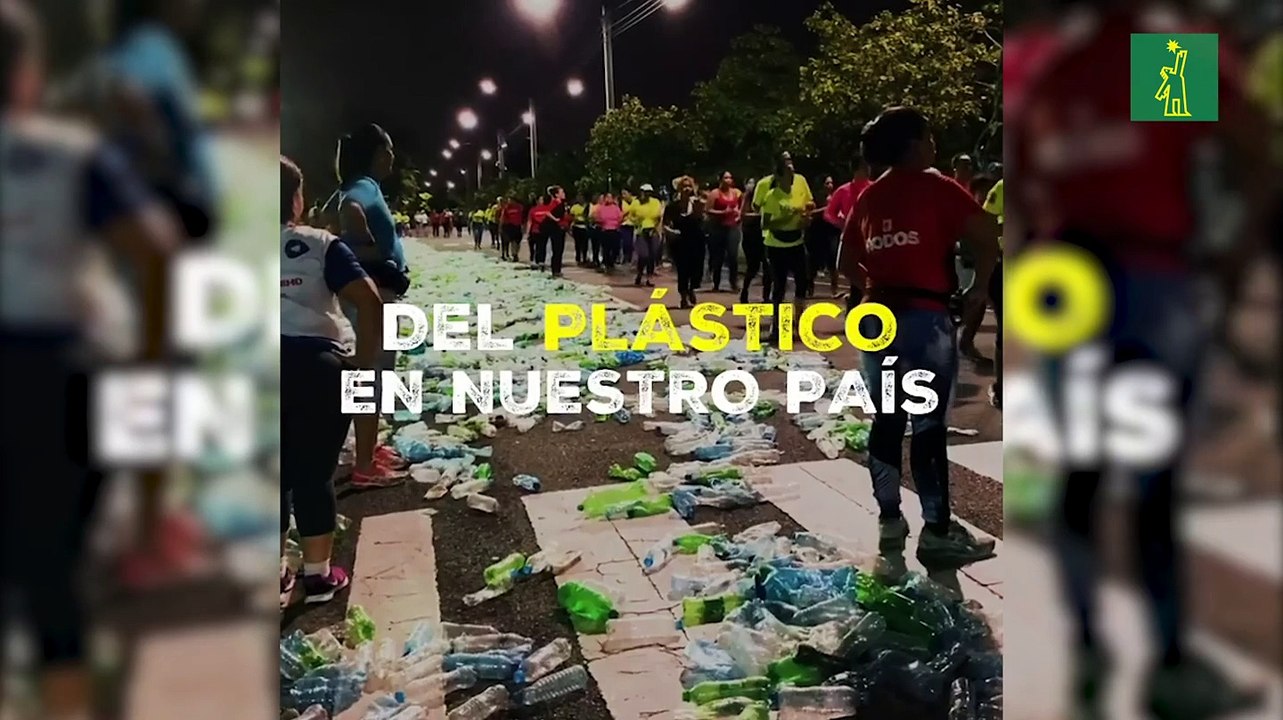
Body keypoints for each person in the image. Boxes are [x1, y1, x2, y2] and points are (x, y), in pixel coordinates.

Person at [1010, 2, 1274, 716]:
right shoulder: (1158, 59)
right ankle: (1167, 663)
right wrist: (1228, 259)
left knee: (1081, 475)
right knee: (1152, 485)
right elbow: (1246, 153)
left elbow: (1032, 199)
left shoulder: (1053, 75)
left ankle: (1090, 646)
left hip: (1069, 285)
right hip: (1146, 281)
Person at [3, 3, 179, 714]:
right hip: (61, 372)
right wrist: (148, 356)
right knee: (53, 575)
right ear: (28, 73)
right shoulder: (71, 152)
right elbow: (155, 249)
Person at [838, 106, 999, 569]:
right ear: (913, 145)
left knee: (887, 420)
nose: (935, 145)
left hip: (877, 323)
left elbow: (845, 264)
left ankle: (890, 519)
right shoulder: (936, 186)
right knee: (928, 427)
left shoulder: (869, 197)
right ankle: (937, 531)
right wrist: (977, 288)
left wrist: (878, 281)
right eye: (929, 137)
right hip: (925, 323)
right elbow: (986, 234)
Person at [279, 156, 383, 610]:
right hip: (318, 366)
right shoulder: (322, 244)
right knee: (314, 470)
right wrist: (362, 360)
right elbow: (369, 299)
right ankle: (318, 576)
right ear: (296, 201)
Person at [325, 123, 410, 488]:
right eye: (388, 150)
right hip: (370, 296)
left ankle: (368, 447)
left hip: (376, 294)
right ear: (377, 154)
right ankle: (363, 465)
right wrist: (370, 251)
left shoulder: (369, 187)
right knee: (368, 374)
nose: (392, 157)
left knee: (375, 373)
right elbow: (349, 213)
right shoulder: (359, 189)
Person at [753, 152, 814, 342]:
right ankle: (777, 326)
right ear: (779, 176)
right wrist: (789, 217)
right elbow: (765, 223)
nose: (792, 175)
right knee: (779, 286)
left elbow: (809, 202)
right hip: (776, 244)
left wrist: (806, 216)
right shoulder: (772, 194)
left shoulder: (800, 183)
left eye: (793, 170)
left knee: (802, 282)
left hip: (797, 241)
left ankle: (799, 323)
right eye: (787, 171)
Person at [957, 173, 998, 363]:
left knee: (979, 302)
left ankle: (965, 341)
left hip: (988, 262)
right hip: (969, 261)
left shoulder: (988, 209)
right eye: (984, 190)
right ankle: (963, 340)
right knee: (973, 301)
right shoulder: (970, 210)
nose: (987, 194)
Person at [665, 176, 706, 308]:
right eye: (684, 187)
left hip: (696, 239)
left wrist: (698, 206)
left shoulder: (697, 203)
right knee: (683, 270)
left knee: (696, 268)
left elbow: (702, 219)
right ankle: (683, 296)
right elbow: (665, 224)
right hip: (680, 241)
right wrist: (671, 232)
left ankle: (691, 289)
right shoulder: (672, 206)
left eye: (689, 186)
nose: (687, 189)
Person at [705, 171, 743, 292]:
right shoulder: (715, 193)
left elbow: (740, 207)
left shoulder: (735, 193)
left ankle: (734, 282)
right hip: (718, 228)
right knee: (718, 257)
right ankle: (716, 283)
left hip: (732, 227)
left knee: (733, 256)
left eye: (730, 178)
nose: (728, 180)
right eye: (726, 178)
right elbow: (708, 210)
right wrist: (722, 213)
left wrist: (738, 215)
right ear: (720, 179)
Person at [738, 178, 771, 304]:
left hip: (764, 236)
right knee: (753, 267)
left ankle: (766, 296)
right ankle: (744, 291)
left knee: (768, 268)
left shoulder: (768, 197)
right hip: (751, 236)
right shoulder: (748, 197)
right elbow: (743, 215)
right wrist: (761, 216)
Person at [807, 175, 839, 297]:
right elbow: (810, 213)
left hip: (831, 232)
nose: (829, 185)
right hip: (817, 232)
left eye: (831, 183)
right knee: (813, 263)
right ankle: (810, 289)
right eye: (827, 183)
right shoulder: (815, 198)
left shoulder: (837, 196)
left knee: (833, 261)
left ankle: (834, 290)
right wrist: (825, 209)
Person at [632, 183, 664, 286]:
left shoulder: (655, 202)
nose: (646, 194)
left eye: (648, 192)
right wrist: (637, 223)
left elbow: (659, 216)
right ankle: (640, 273)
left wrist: (656, 228)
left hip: (653, 230)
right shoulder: (636, 203)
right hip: (641, 231)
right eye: (644, 192)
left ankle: (649, 277)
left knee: (652, 255)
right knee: (643, 255)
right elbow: (631, 216)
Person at [543, 185, 570, 277]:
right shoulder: (555, 203)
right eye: (561, 192)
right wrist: (555, 219)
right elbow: (546, 212)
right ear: (556, 194)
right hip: (555, 229)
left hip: (561, 229)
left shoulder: (562, 203)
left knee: (559, 250)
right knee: (557, 249)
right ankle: (555, 270)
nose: (564, 194)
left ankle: (557, 269)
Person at [594, 192, 624, 274]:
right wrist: (601, 221)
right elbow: (596, 218)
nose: (608, 199)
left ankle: (612, 261)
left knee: (615, 248)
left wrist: (618, 223)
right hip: (605, 230)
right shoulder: (601, 208)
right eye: (607, 197)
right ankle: (607, 264)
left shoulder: (616, 208)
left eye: (610, 197)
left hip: (614, 230)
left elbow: (621, 217)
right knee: (606, 249)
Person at [527, 194, 551, 270]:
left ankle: (541, 261)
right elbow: (530, 221)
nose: (542, 201)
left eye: (542, 199)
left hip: (544, 231)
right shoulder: (533, 210)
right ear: (537, 201)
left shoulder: (547, 209)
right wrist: (528, 232)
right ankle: (537, 261)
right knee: (537, 247)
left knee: (542, 246)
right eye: (540, 199)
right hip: (535, 230)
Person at [500, 194, 524, 261]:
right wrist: (502, 226)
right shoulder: (506, 208)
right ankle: (514, 254)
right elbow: (503, 217)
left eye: (510, 200)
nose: (509, 201)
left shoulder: (520, 207)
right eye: (508, 200)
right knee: (513, 241)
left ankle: (516, 253)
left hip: (518, 226)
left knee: (517, 242)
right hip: (510, 226)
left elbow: (523, 216)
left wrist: (523, 225)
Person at [619, 188, 637, 266]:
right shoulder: (621, 203)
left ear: (630, 193)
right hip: (625, 225)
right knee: (626, 242)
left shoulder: (636, 201)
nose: (623, 196)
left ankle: (633, 260)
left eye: (625, 193)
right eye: (622, 194)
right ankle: (626, 257)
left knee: (635, 243)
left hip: (635, 225)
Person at [570, 193, 590, 266]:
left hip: (584, 226)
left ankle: (584, 258)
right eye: (579, 198)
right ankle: (578, 258)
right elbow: (571, 216)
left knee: (585, 244)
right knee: (577, 244)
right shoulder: (574, 207)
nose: (580, 200)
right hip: (577, 226)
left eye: (581, 198)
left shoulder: (587, 206)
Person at [587, 192, 603, 268]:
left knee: (602, 245)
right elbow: (590, 216)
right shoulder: (594, 207)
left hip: (604, 228)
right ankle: (595, 259)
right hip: (595, 227)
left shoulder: (605, 207)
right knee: (595, 245)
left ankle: (602, 259)